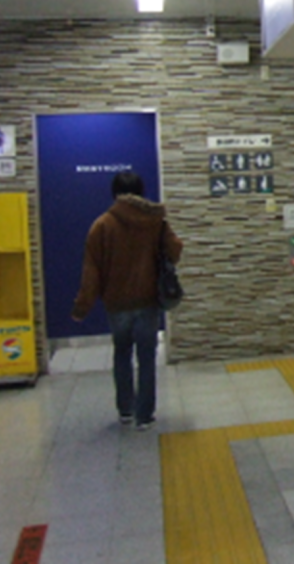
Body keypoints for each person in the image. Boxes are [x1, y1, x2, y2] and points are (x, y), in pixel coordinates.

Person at [72, 171, 183, 430]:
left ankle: (125, 410)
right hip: (147, 300)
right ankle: (144, 416)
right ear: (140, 192)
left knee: (122, 353)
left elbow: (91, 272)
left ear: (115, 193)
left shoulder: (102, 225)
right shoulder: (155, 222)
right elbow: (176, 248)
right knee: (147, 357)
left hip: (117, 303)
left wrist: (81, 307)